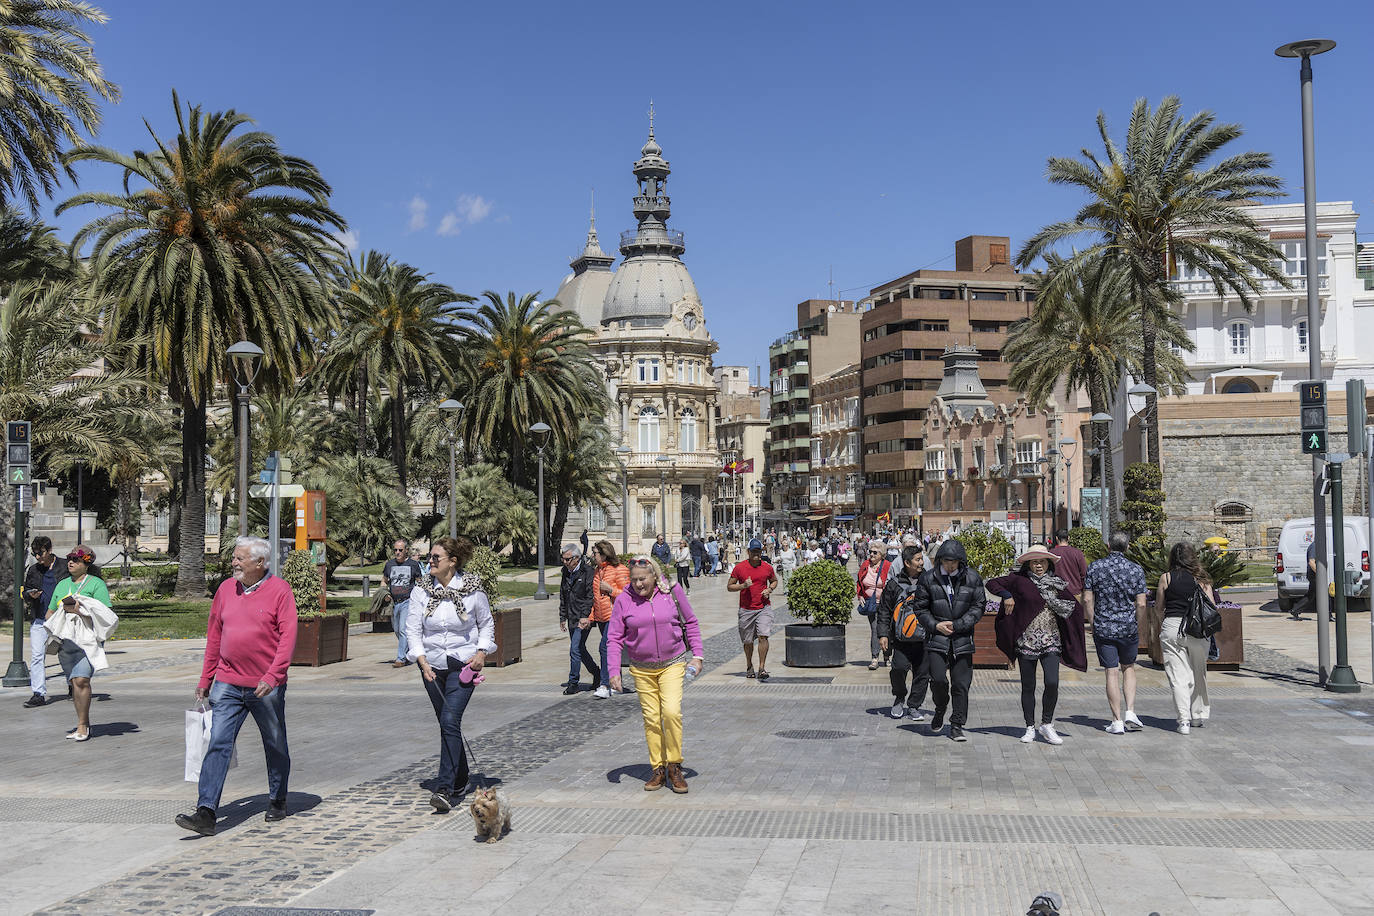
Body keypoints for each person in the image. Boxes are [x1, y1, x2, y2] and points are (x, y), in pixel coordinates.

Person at [177, 537, 297, 837]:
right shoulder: (225, 590)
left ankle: (278, 797)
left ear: (260, 563)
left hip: (264, 686)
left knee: (275, 742)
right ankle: (206, 812)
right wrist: (206, 679)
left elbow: (287, 639)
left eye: (240, 558)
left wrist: (273, 676)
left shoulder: (280, 591)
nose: (234, 562)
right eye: (234, 557)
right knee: (218, 742)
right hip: (227, 682)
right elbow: (214, 636)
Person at [405, 535, 496, 812]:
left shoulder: (472, 589)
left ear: (452, 562)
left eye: (435, 558)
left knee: (449, 721)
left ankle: (445, 789)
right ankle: (461, 778)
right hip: (431, 666)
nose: (430, 562)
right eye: (429, 557)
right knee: (448, 725)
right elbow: (412, 629)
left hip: (462, 665)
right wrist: (421, 660)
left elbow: (486, 624)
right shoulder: (421, 590)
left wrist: (481, 653)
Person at [607, 556, 704, 793]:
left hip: (672, 662)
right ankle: (658, 769)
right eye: (635, 579)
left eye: (643, 579)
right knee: (651, 719)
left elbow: (690, 621)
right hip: (642, 668)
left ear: (654, 575)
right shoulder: (624, 600)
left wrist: (698, 655)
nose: (639, 584)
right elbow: (614, 637)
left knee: (670, 712)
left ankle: (674, 766)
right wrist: (613, 671)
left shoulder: (671, 591)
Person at [987, 545, 1087, 746]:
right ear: (1028, 564)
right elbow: (992, 583)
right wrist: (1007, 595)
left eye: (1042, 562)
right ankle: (1030, 726)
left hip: (1051, 640)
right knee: (1028, 686)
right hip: (1027, 641)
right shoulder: (1019, 581)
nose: (1039, 566)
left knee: (1052, 682)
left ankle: (1047, 724)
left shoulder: (1057, 584)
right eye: (1034, 562)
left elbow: (1074, 608)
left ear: (1048, 563)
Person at [913, 539, 985, 741]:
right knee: (937, 680)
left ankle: (956, 724)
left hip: (962, 639)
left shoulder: (972, 578)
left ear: (960, 561)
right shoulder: (928, 578)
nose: (950, 565)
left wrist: (960, 624)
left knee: (961, 684)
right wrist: (935, 625)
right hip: (937, 638)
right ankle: (940, 707)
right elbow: (920, 607)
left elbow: (978, 606)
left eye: (954, 561)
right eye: (946, 561)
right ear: (940, 560)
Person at [44, 546, 115, 740]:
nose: (71, 562)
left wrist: (79, 610)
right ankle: (82, 722)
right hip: (65, 642)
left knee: (82, 680)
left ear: (86, 564)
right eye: (69, 559)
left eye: (76, 560)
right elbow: (50, 611)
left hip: (87, 642)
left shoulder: (96, 584)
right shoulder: (62, 585)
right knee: (74, 682)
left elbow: (105, 613)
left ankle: (82, 726)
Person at [1082, 532, 1148, 734]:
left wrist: (1092, 621)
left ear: (1108, 545)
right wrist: (1136, 622)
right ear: (1127, 547)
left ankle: (1117, 720)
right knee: (1129, 667)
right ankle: (1130, 711)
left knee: (1111, 672)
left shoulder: (1095, 567)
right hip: (1128, 627)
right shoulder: (1136, 569)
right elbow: (1142, 603)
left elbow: (1086, 599)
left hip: (1104, 626)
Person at [1152, 542, 1213, 734]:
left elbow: (1159, 607)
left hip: (1173, 625)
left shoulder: (1166, 578)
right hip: (1197, 629)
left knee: (1178, 676)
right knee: (1198, 673)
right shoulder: (1202, 579)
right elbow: (1211, 606)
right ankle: (1197, 716)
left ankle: (1183, 721)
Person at [877, 544, 931, 720]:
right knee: (898, 669)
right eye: (918, 559)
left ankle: (914, 706)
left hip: (925, 638)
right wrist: (883, 634)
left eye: (921, 558)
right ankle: (899, 697)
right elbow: (884, 610)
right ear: (907, 563)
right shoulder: (894, 584)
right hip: (901, 639)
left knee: (922, 674)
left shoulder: (929, 581)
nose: (922, 562)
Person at [21, 536, 66, 708]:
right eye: (35, 553)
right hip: (39, 618)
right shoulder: (34, 570)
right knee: (37, 656)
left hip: (61, 618)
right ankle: (38, 693)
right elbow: (25, 591)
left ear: (49, 550)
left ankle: (72, 684)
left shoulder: (64, 566)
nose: (38, 557)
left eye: (40, 553)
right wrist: (30, 595)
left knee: (64, 653)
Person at [728, 538, 778, 681]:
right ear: (748, 552)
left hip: (764, 607)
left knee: (763, 636)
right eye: (754, 551)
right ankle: (749, 665)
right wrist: (743, 586)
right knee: (748, 641)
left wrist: (769, 589)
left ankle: (761, 668)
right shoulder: (740, 568)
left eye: (759, 551)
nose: (756, 554)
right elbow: (729, 586)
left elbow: (774, 580)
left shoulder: (767, 567)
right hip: (746, 609)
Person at [558, 542, 599, 695]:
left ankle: (573, 682)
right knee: (580, 649)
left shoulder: (588, 571)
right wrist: (562, 616)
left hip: (583, 617)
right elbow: (563, 595)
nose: (565, 562)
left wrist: (585, 616)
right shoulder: (565, 571)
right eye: (563, 559)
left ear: (576, 558)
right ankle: (597, 673)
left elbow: (590, 596)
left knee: (575, 649)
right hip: (571, 616)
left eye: (567, 559)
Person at [590, 540, 630, 698]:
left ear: (604, 554)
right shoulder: (598, 570)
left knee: (605, 647)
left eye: (595, 553)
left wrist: (611, 590)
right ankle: (616, 683)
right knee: (612, 651)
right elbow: (596, 596)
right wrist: (592, 616)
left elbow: (628, 595)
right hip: (602, 616)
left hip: (615, 616)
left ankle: (605, 684)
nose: (593, 556)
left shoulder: (619, 570)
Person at [383, 538, 424, 668]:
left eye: (400, 550)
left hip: (408, 601)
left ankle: (400, 658)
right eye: (395, 550)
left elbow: (420, 581)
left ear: (406, 550)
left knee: (403, 630)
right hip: (394, 603)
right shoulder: (389, 565)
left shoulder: (413, 565)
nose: (397, 552)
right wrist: (385, 593)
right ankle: (407, 653)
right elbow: (384, 581)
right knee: (396, 630)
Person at [856, 543, 893, 670]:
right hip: (870, 604)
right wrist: (860, 595)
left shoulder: (887, 565)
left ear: (882, 555)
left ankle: (887, 656)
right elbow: (859, 581)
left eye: (875, 552)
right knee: (875, 630)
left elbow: (892, 584)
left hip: (885, 604)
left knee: (886, 630)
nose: (871, 554)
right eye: (870, 551)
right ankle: (875, 658)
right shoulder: (865, 565)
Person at [1049, 530, 1088, 606]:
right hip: (1075, 593)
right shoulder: (1078, 553)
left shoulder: (1051, 553)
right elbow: (1084, 573)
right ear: (1069, 538)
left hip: (1057, 594)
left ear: (1056, 538)